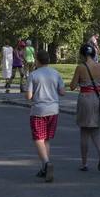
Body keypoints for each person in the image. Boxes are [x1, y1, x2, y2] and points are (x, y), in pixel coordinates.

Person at [25, 49, 65, 183]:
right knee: (47, 138)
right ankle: (45, 166)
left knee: (38, 138)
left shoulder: (33, 75)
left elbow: (28, 96)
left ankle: (47, 163)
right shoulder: (56, 73)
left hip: (39, 110)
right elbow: (62, 91)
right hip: (53, 109)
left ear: (37, 60)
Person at [70, 43, 100, 172]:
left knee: (84, 132)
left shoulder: (80, 67)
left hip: (85, 98)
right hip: (98, 98)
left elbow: (72, 86)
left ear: (82, 54)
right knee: (96, 132)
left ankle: (84, 163)